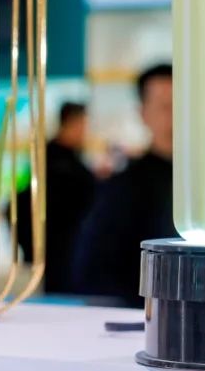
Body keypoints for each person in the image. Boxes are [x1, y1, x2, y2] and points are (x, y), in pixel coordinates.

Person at [71, 64, 176, 306]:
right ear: (143, 114)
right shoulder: (125, 186)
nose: (175, 116)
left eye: (182, 106)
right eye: (165, 107)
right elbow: (94, 268)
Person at [16, 101, 98, 294]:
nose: (84, 131)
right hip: (56, 242)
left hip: (69, 242)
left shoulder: (68, 156)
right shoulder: (52, 158)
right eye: (82, 124)